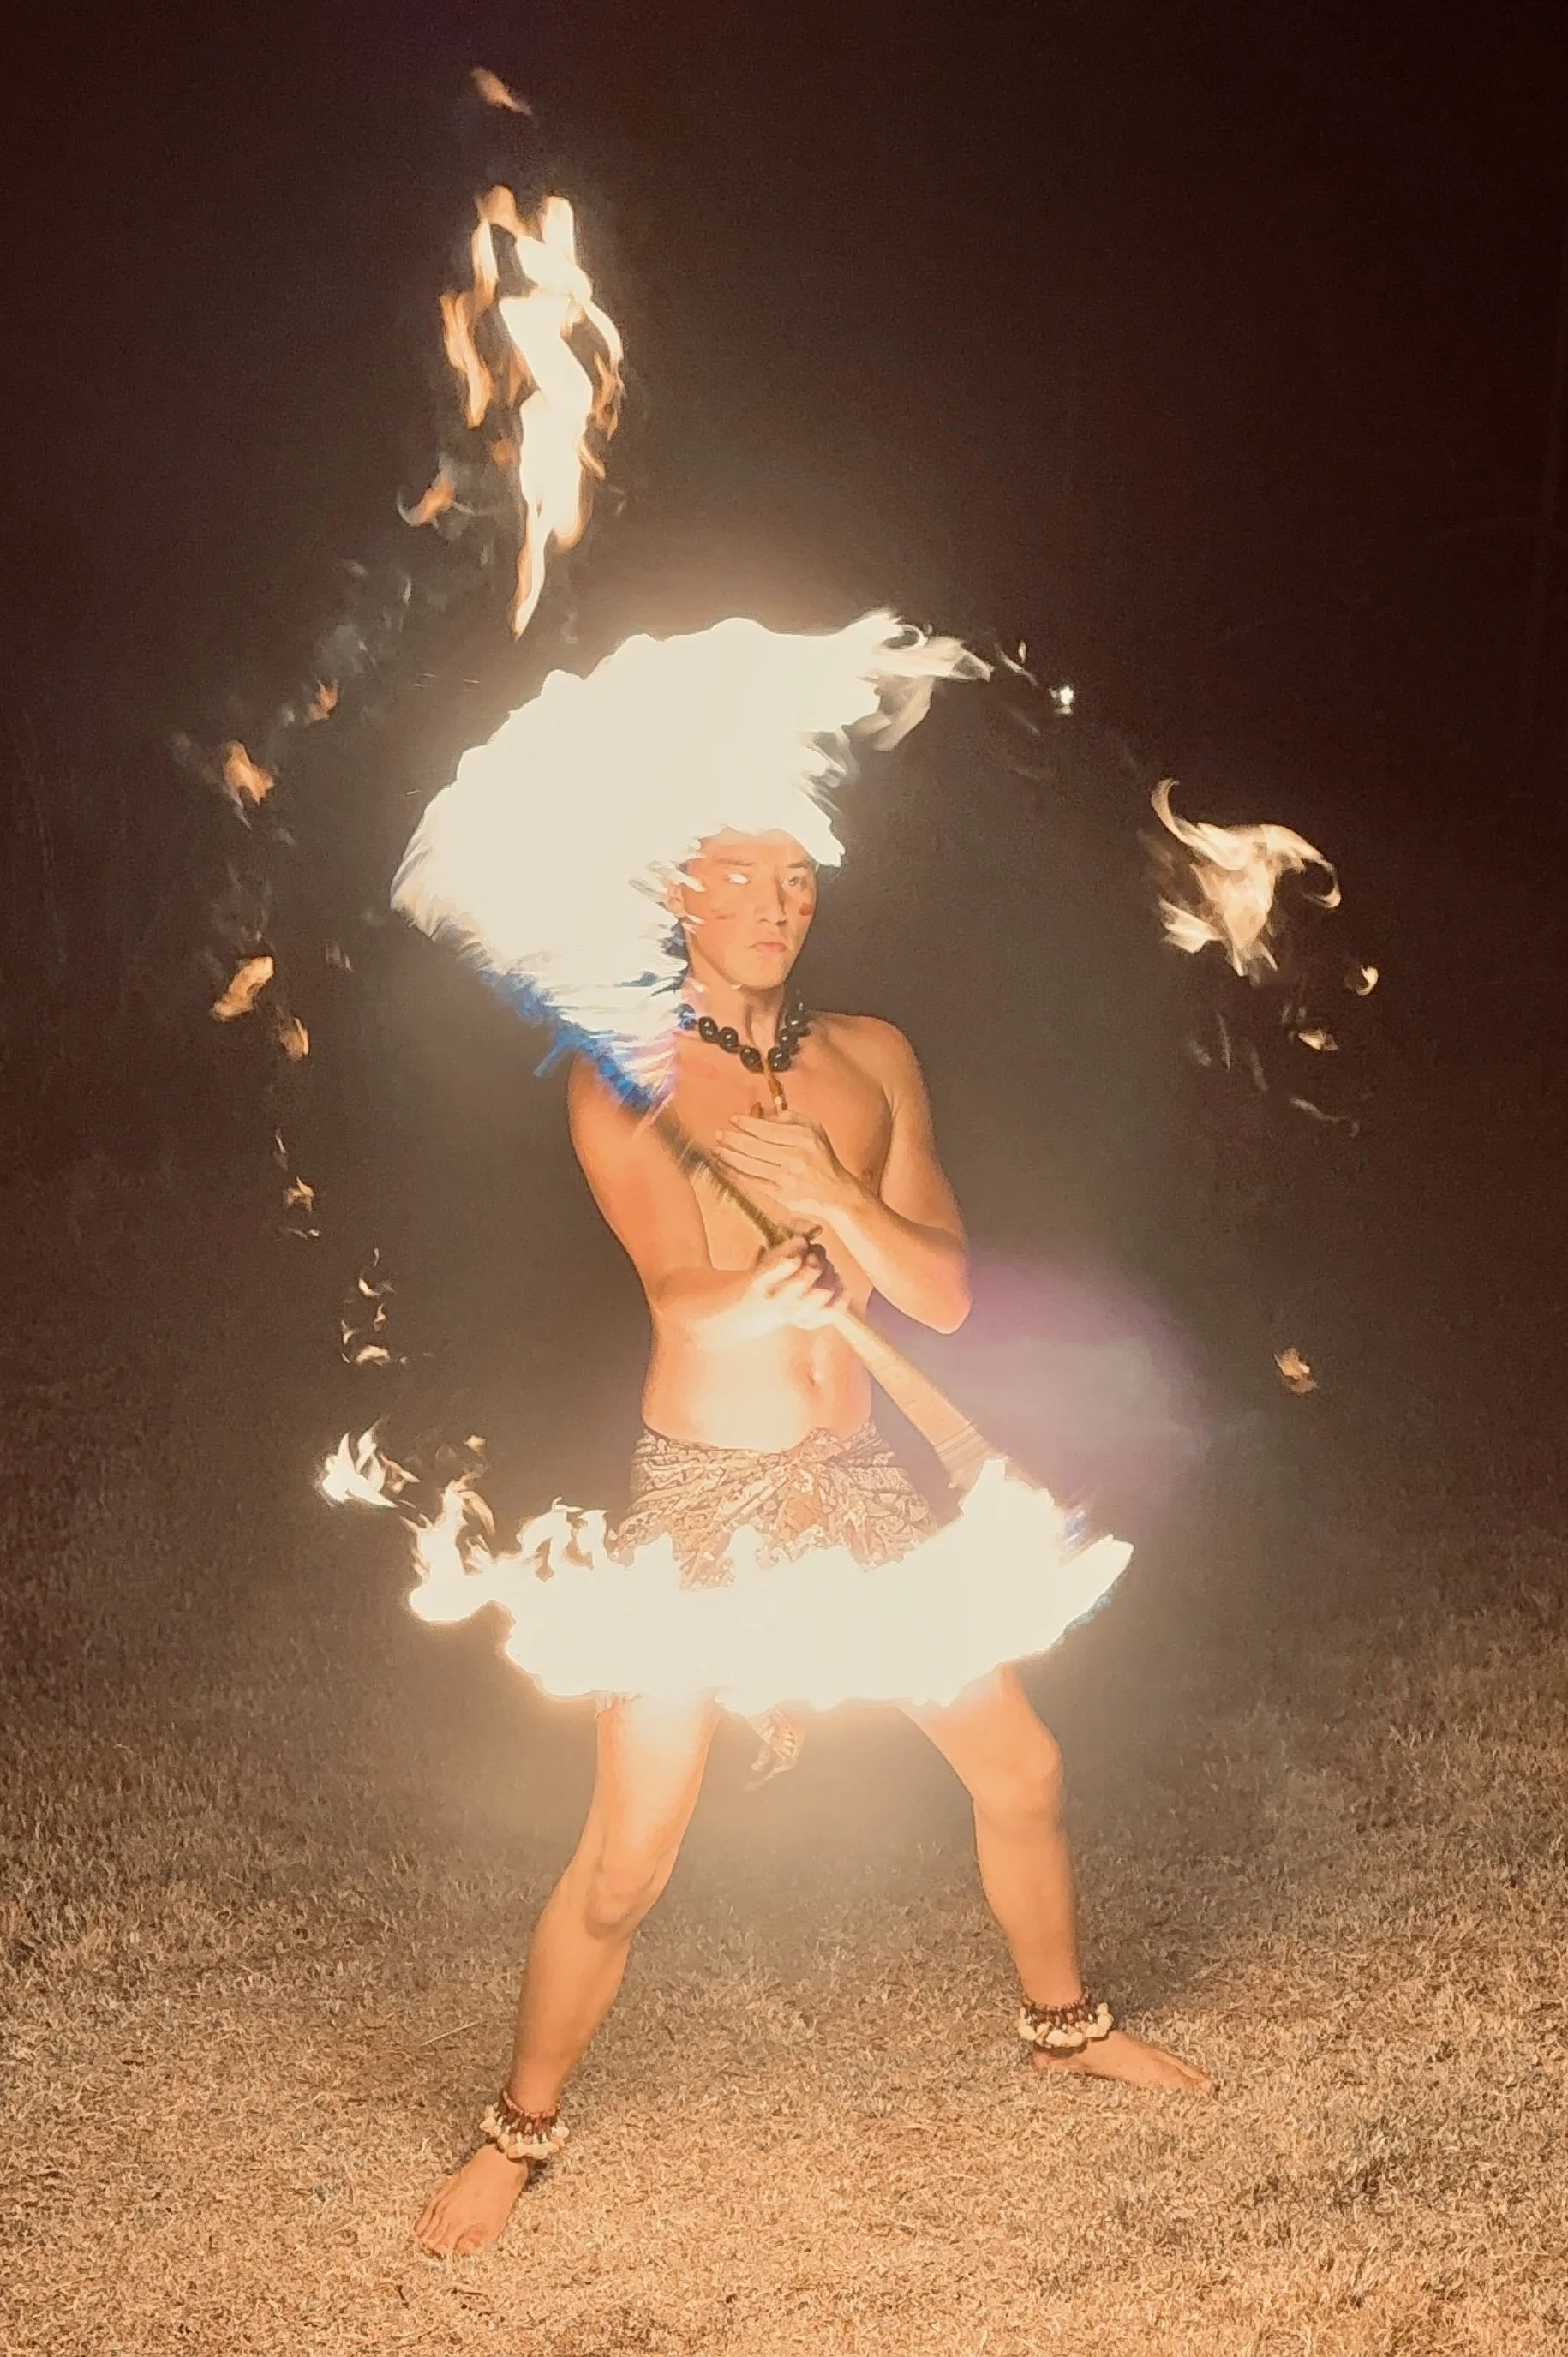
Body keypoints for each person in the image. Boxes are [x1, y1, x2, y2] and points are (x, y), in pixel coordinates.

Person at [416, 827, 1211, 2258]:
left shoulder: (872, 1059)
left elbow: (950, 1295)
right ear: (675, 889)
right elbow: (673, 1295)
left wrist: (842, 1203)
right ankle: (513, 2131)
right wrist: (762, 1289)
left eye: (797, 878)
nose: (775, 904)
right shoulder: (626, 1074)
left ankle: (1060, 2025)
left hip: (856, 1479)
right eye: (739, 875)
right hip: (703, 1497)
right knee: (625, 1860)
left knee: (1021, 1766)